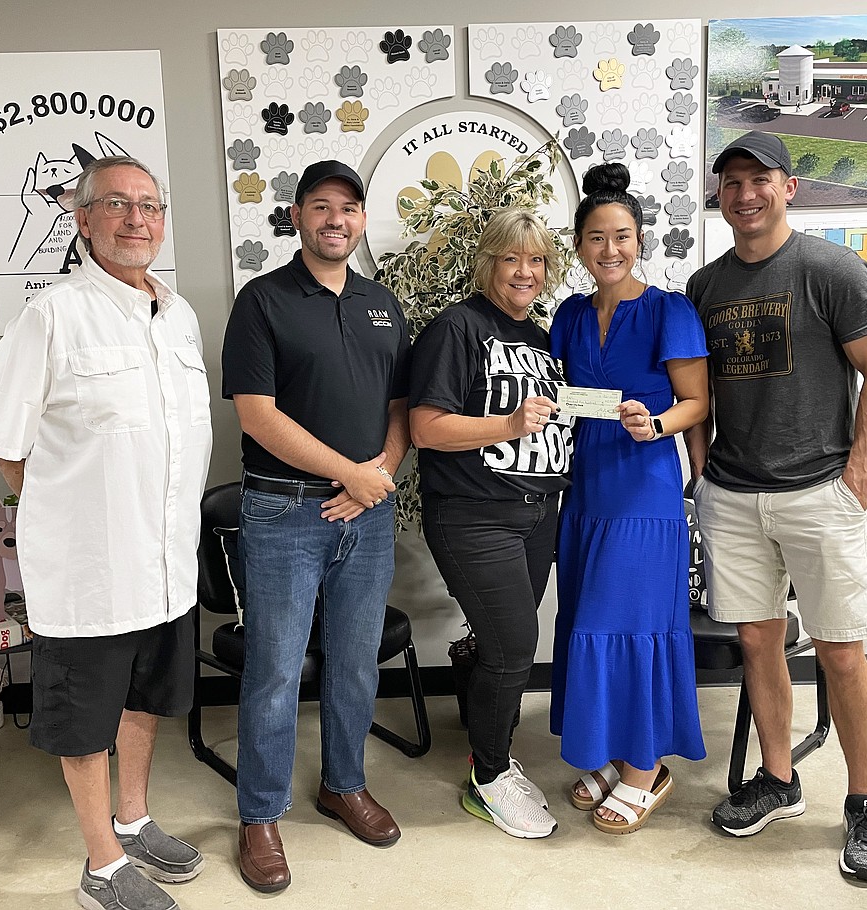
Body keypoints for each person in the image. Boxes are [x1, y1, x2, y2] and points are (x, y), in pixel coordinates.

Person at [0, 156, 212, 910]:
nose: (136, 218)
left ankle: (134, 819)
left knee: (146, 699)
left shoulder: (179, 315)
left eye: (149, 205)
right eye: (116, 204)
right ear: (83, 221)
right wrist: (71, 517)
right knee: (85, 719)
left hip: (168, 563)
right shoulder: (51, 315)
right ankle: (101, 866)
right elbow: (9, 446)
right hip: (89, 570)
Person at [684, 131, 867, 883]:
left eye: (759, 179)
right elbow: (698, 393)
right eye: (731, 182)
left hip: (818, 492)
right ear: (719, 196)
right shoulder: (704, 287)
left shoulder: (831, 269)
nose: (744, 194)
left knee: (841, 650)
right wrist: (701, 471)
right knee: (757, 642)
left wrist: (858, 478)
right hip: (734, 496)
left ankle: (866, 803)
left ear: (789, 188)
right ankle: (778, 779)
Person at [221, 160, 411, 893]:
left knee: (356, 661)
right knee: (273, 668)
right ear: (296, 216)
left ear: (362, 219)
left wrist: (377, 478)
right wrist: (350, 474)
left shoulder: (382, 303)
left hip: (368, 510)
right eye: (321, 206)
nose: (337, 219)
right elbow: (257, 415)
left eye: (350, 207)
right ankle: (260, 814)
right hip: (282, 511)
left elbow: (401, 407)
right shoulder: (263, 301)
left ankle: (344, 785)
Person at [549, 163, 709, 834]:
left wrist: (658, 423)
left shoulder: (670, 310)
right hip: (585, 492)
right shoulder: (568, 314)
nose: (608, 249)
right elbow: (568, 397)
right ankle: (616, 753)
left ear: (639, 239)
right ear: (580, 245)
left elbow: (698, 401)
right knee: (591, 622)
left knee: (633, 625)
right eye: (595, 237)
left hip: (644, 498)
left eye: (620, 236)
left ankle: (647, 767)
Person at [409, 208, 573, 839]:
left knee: (498, 645)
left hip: (538, 516)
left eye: (535, 260)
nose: (525, 272)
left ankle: (492, 749)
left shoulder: (542, 338)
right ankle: (490, 775)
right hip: (475, 515)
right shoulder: (455, 329)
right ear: (487, 264)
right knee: (512, 647)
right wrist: (506, 426)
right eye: (511, 259)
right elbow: (426, 428)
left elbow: (560, 414)